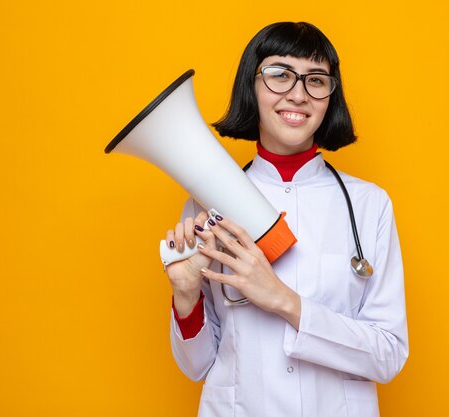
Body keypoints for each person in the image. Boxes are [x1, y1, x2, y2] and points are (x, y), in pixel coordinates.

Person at [164, 22, 408, 417]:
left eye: (316, 80)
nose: (298, 94)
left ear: (331, 96)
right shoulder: (205, 206)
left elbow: (388, 355)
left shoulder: (369, 204)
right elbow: (196, 367)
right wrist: (186, 297)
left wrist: (285, 302)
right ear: (252, 84)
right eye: (279, 75)